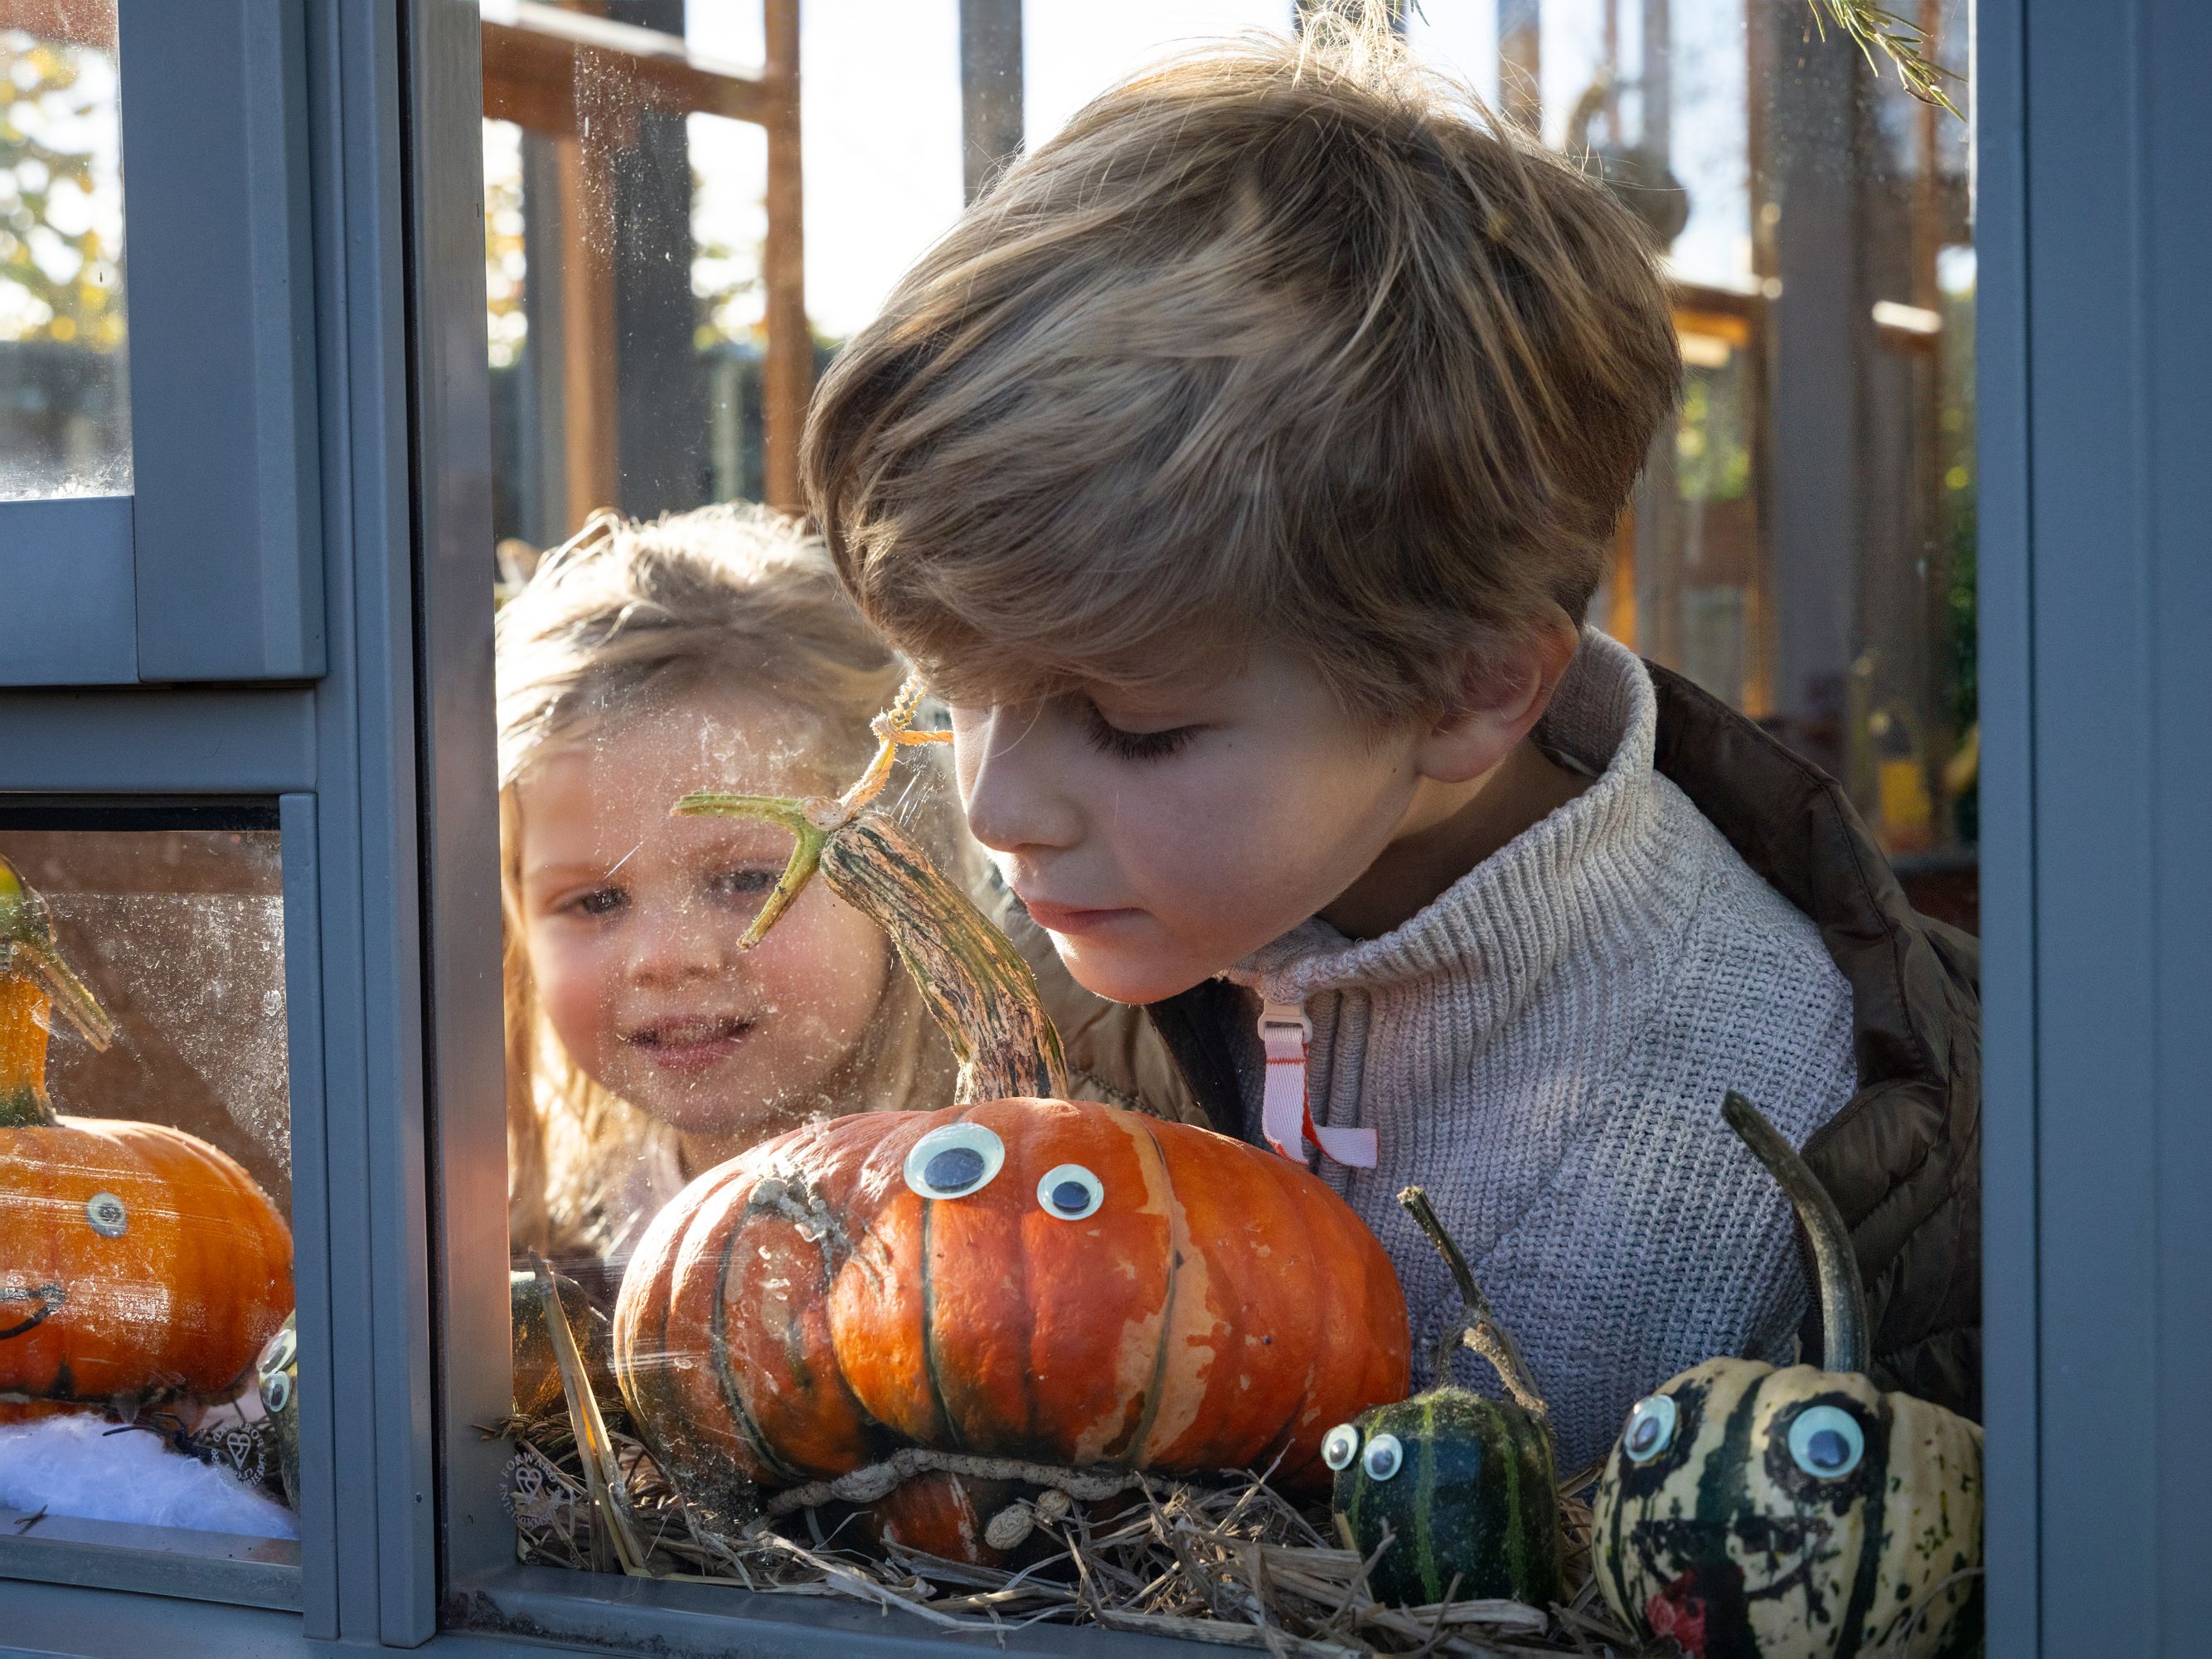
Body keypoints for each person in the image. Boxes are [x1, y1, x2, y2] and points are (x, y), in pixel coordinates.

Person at [799, 15, 1979, 1470]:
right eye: (953, 689)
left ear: (1466, 694)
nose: (994, 806)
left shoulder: (1743, 1166)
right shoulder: (1063, 945)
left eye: (1133, 726)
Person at [497, 504, 976, 1275]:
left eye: (751, 880)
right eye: (596, 901)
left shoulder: (1001, 1200)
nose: (665, 958)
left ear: (901, 876)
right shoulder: (538, 1258)